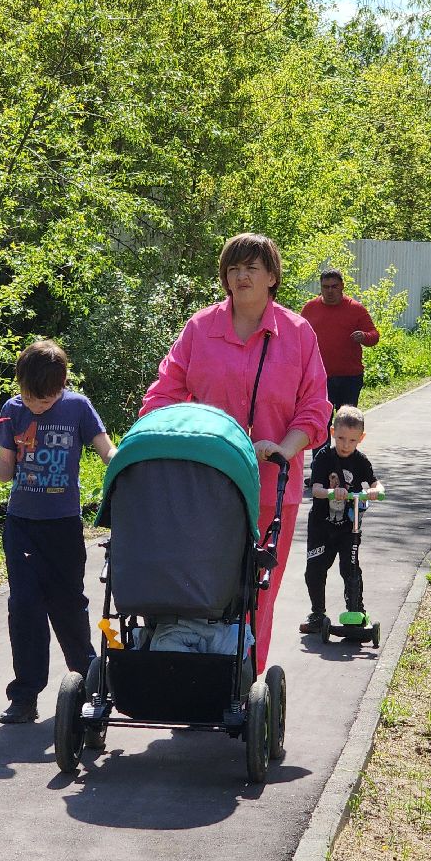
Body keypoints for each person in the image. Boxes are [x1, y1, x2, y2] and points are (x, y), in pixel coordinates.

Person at [140, 233, 331, 672]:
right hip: (203, 485)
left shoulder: (298, 334)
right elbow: (164, 393)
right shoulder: (200, 328)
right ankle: (186, 676)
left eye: (251, 268)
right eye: (233, 268)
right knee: (195, 583)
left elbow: (315, 407)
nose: (241, 276)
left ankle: (246, 682)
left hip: (269, 487)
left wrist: (284, 448)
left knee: (256, 593)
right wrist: (156, 439)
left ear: (272, 277)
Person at [0, 339, 117, 724]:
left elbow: (107, 451)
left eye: (46, 401)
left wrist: (130, 467)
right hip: (21, 525)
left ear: (62, 385)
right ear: (19, 386)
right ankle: (25, 696)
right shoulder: (12, 411)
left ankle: (87, 684)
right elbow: (6, 472)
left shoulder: (77, 407)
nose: (37, 406)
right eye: (31, 398)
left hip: (64, 525)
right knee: (24, 607)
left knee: (68, 605)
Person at [301, 406, 385, 635]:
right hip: (321, 525)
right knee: (315, 569)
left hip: (349, 527)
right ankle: (318, 613)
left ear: (361, 438)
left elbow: (375, 483)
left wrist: (376, 491)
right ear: (332, 432)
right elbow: (316, 488)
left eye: (351, 440)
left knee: (350, 568)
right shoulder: (324, 457)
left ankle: (356, 611)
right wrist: (330, 491)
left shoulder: (360, 461)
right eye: (340, 438)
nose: (345, 444)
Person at [299, 270, 380, 412]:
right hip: (320, 377)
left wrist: (364, 336)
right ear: (321, 287)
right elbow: (298, 338)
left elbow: (374, 335)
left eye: (334, 286)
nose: (330, 291)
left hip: (349, 377)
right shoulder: (310, 308)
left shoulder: (355, 308)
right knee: (322, 421)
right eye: (326, 287)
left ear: (342, 286)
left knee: (346, 421)